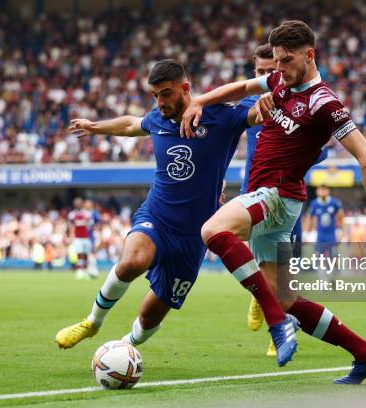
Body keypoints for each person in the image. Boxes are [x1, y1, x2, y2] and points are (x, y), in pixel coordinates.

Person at [181, 20, 366, 383]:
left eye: (286, 61)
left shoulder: (324, 103)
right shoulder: (281, 80)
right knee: (288, 298)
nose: (278, 69)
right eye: (275, 61)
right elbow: (245, 86)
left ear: (309, 56)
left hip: (278, 195)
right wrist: (200, 99)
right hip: (269, 195)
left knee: (212, 230)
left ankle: (277, 324)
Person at [56, 60, 298, 366]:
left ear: (185, 88)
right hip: (157, 216)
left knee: (150, 315)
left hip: (195, 236)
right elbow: (131, 124)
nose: (160, 102)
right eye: (155, 95)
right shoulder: (157, 118)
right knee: (133, 261)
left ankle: (125, 347)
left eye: (166, 94)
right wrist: (95, 127)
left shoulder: (220, 117)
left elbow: (253, 114)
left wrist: (268, 102)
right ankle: (93, 322)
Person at [243, 44, 329, 358]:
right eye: (261, 72)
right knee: (237, 248)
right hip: (251, 187)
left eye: (271, 70)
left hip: (283, 194)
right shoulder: (250, 107)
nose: (267, 76)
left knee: (282, 272)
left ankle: (277, 329)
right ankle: (260, 297)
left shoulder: (296, 104)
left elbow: (321, 148)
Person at [307, 184, 344, 257]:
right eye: (320, 189)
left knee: (333, 256)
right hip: (320, 235)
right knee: (317, 256)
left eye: (324, 189)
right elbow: (309, 217)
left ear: (328, 191)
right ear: (317, 191)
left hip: (332, 234)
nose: (322, 191)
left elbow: (341, 217)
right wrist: (307, 232)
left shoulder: (335, 202)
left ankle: (335, 268)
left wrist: (341, 231)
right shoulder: (314, 204)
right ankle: (317, 268)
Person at [68, 198, 94, 280]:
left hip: (86, 237)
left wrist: (85, 224)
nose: (78, 204)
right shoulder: (72, 214)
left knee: (85, 254)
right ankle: (79, 271)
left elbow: (91, 223)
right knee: (79, 254)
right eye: (76, 203)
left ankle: (85, 271)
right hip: (77, 238)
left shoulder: (86, 214)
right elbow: (70, 225)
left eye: (79, 203)